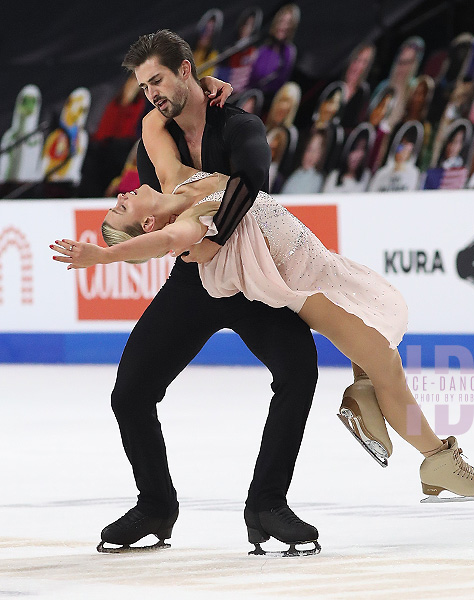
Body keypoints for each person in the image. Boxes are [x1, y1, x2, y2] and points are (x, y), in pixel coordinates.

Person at [50, 131, 474, 509]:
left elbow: (153, 126)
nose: (122, 194)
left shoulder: (180, 180)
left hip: (326, 266)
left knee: (384, 331)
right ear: (146, 225)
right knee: (390, 370)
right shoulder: (188, 226)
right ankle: (437, 460)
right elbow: (165, 241)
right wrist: (105, 256)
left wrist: (201, 81)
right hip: (316, 293)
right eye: (122, 208)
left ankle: (366, 401)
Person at [62, 29, 325, 557]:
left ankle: (266, 505)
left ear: (185, 70)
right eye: (143, 87)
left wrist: (214, 240)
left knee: (299, 373)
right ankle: (155, 505)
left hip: (248, 273)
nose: (151, 93)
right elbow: (161, 212)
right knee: (131, 392)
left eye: (157, 79)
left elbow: (250, 182)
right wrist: (184, 249)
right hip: (195, 277)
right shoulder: (153, 140)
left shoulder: (241, 123)